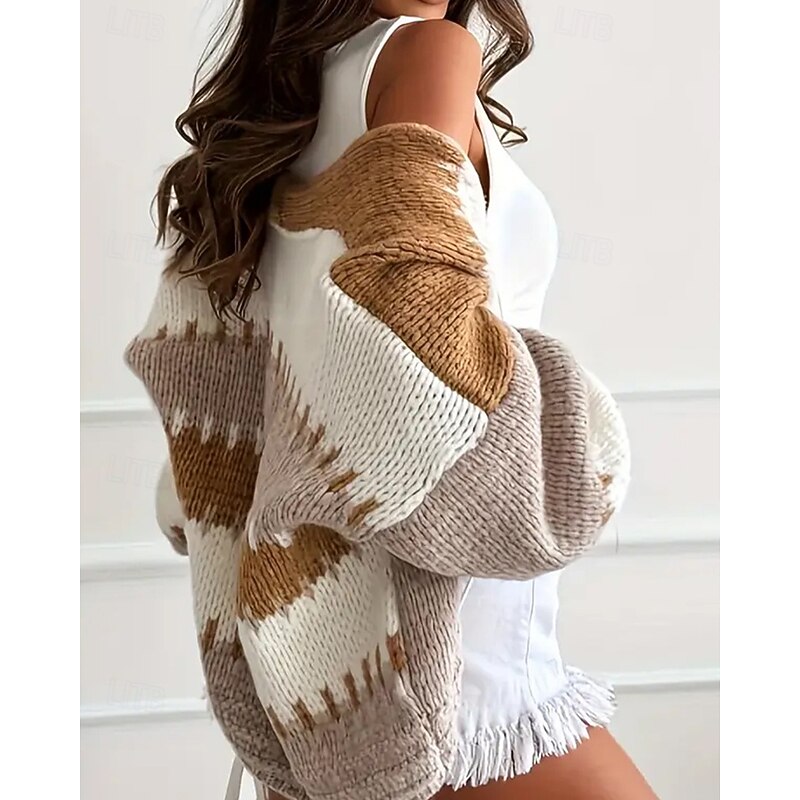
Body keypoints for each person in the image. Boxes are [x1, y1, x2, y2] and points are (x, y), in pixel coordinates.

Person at [144, 1, 658, 798]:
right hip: (455, 630)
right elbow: (417, 339)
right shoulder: (428, 54)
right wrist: (575, 431)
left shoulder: (291, 97)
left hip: (331, 644)